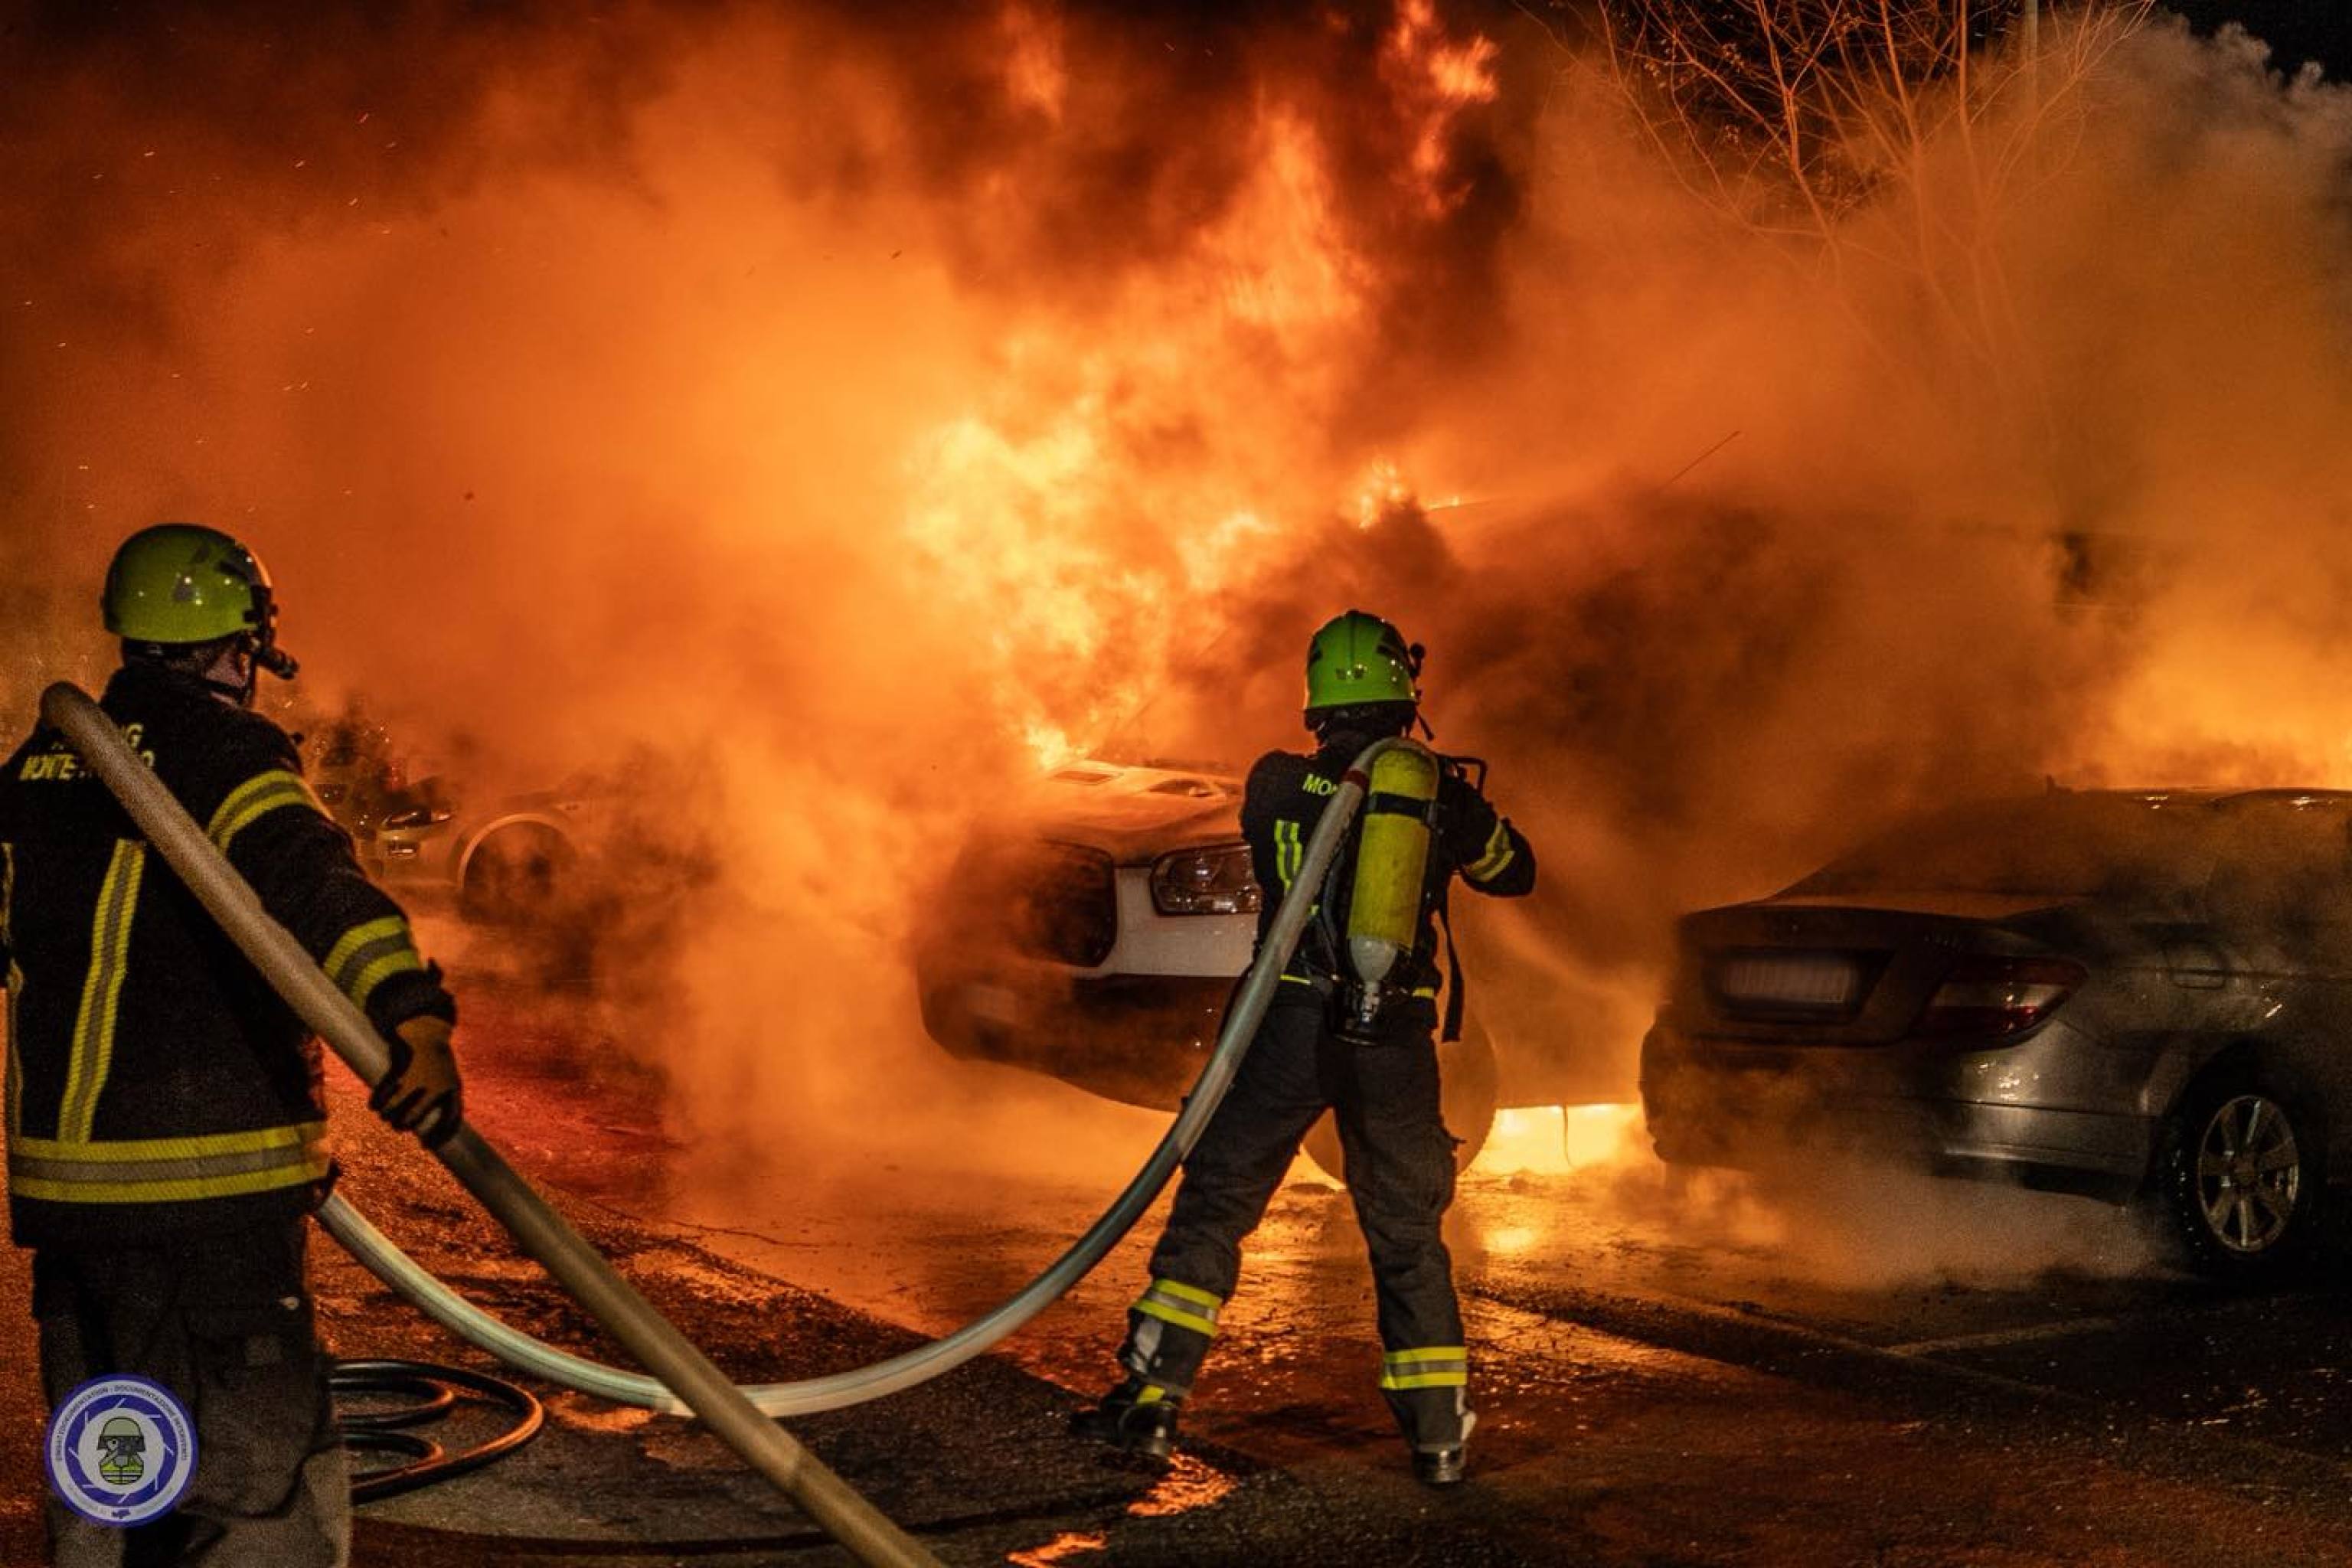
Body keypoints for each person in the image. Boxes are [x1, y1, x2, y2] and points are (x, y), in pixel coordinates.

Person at [0, 522, 463, 1566]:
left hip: (74, 1216)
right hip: (206, 1203)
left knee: (108, 1461)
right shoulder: (227, 753)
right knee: (255, 1486)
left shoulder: (41, 765)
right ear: (236, 642)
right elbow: (314, 884)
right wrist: (413, 1017)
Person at [1076, 608, 1535, 1486]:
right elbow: (1514, 870)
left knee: (1217, 1201)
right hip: (1394, 1036)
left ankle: (1149, 1403)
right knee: (1405, 1235)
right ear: (1407, 694)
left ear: (1318, 702)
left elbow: (1294, 834)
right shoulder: (1439, 795)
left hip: (1286, 1024)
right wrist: (1448, 805)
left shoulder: (1276, 782)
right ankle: (1439, 1436)